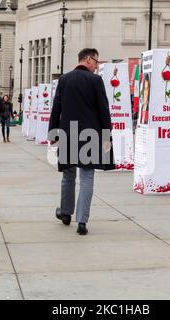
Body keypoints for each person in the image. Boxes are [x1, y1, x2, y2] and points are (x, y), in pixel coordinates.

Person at [48, 48, 115, 236]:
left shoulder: (64, 79)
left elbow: (57, 108)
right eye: (96, 61)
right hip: (90, 135)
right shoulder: (95, 81)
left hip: (68, 134)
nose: (97, 66)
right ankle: (82, 221)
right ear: (87, 59)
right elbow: (103, 109)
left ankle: (66, 213)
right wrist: (107, 135)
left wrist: (53, 134)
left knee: (68, 176)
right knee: (87, 178)